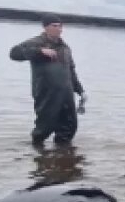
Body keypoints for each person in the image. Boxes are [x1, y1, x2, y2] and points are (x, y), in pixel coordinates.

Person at [9, 14, 86, 146]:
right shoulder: (36, 42)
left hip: (66, 93)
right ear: (46, 27)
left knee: (69, 126)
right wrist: (40, 51)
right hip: (47, 92)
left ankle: (62, 156)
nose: (59, 29)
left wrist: (80, 91)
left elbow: (71, 71)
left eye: (60, 26)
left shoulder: (65, 47)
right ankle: (37, 153)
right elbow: (14, 53)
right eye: (54, 26)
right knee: (45, 126)